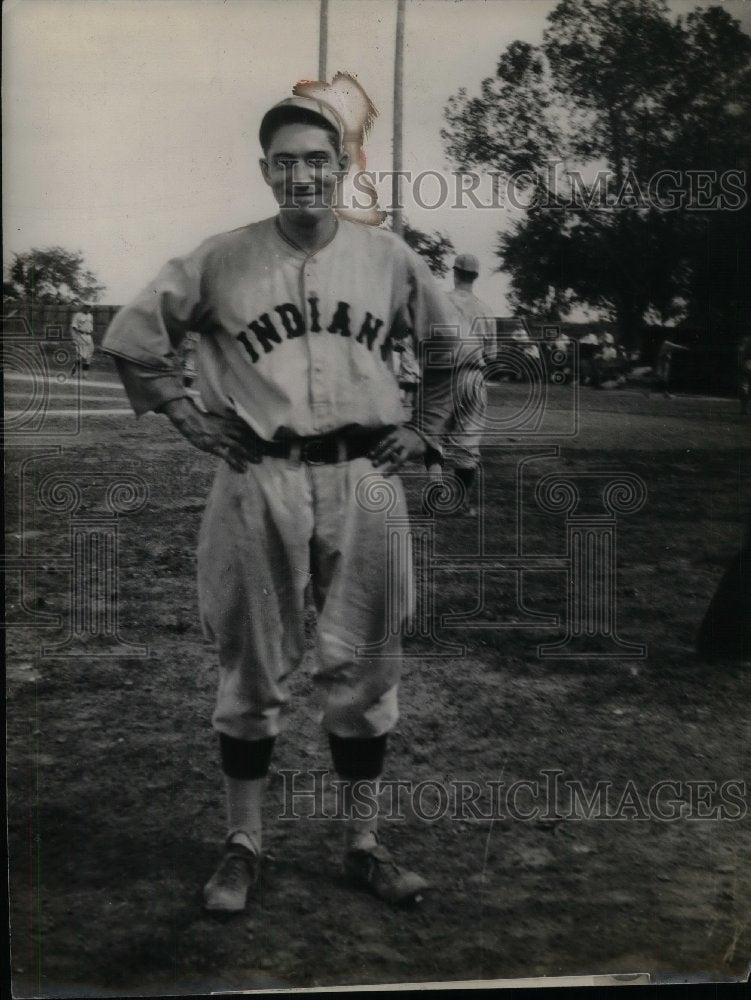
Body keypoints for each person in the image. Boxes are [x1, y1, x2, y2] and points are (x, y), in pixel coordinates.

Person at [101, 95, 457, 914]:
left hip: (365, 472)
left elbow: (452, 349)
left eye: (317, 160)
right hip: (258, 475)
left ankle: (363, 845)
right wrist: (187, 416)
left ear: (341, 168)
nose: (303, 174)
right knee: (252, 661)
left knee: (367, 665)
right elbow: (132, 336)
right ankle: (243, 844)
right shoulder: (220, 259)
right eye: (286, 162)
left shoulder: (389, 257)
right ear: (266, 172)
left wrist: (428, 433)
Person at [426, 253, 497, 517]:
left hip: (440, 373)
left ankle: (435, 489)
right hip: (473, 374)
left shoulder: (440, 301)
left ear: (454, 272)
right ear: (475, 276)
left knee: (432, 435)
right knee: (467, 442)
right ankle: (460, 502)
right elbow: (492, 356)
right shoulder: (486, 310)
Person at [69, 302, 94, 379]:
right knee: (80, 356)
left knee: (88, 356)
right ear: (83, 307)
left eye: (89, 306)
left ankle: (85, 375)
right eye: (86, 306)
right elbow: (73, 327)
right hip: (80, 335)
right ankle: (73, 371)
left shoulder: (90, 316)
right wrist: (74, 339)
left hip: (89, 336)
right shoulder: (78, 315)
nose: (88, 308)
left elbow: (90, 327)